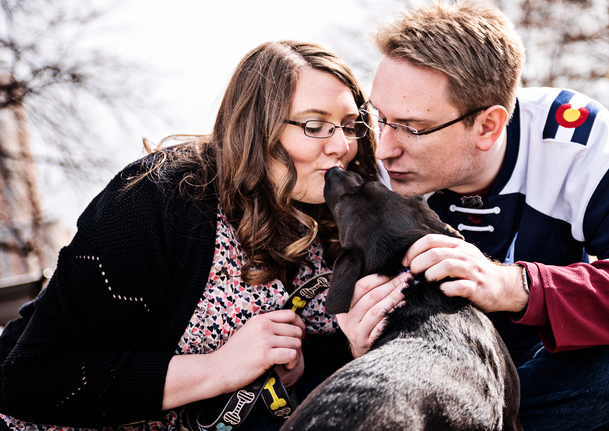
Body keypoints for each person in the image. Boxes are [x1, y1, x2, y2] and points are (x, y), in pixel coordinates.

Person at [0, 41, 408, 430]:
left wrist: (323, 360)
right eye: (316, 125)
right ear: (257, 128)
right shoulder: (160, 199)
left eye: (350, 125)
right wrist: (218, 369)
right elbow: (30, 378)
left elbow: (323, 361)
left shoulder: (341, 219)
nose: (342, 146)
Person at [337, 0, 609, 431]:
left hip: (538, 364)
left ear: (488, 126)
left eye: (411, 128)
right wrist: (358, 345)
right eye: (378, 118)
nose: (384, 146)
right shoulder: (368, 167)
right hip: (434, 380)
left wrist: (513, 284)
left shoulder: (579, 139)